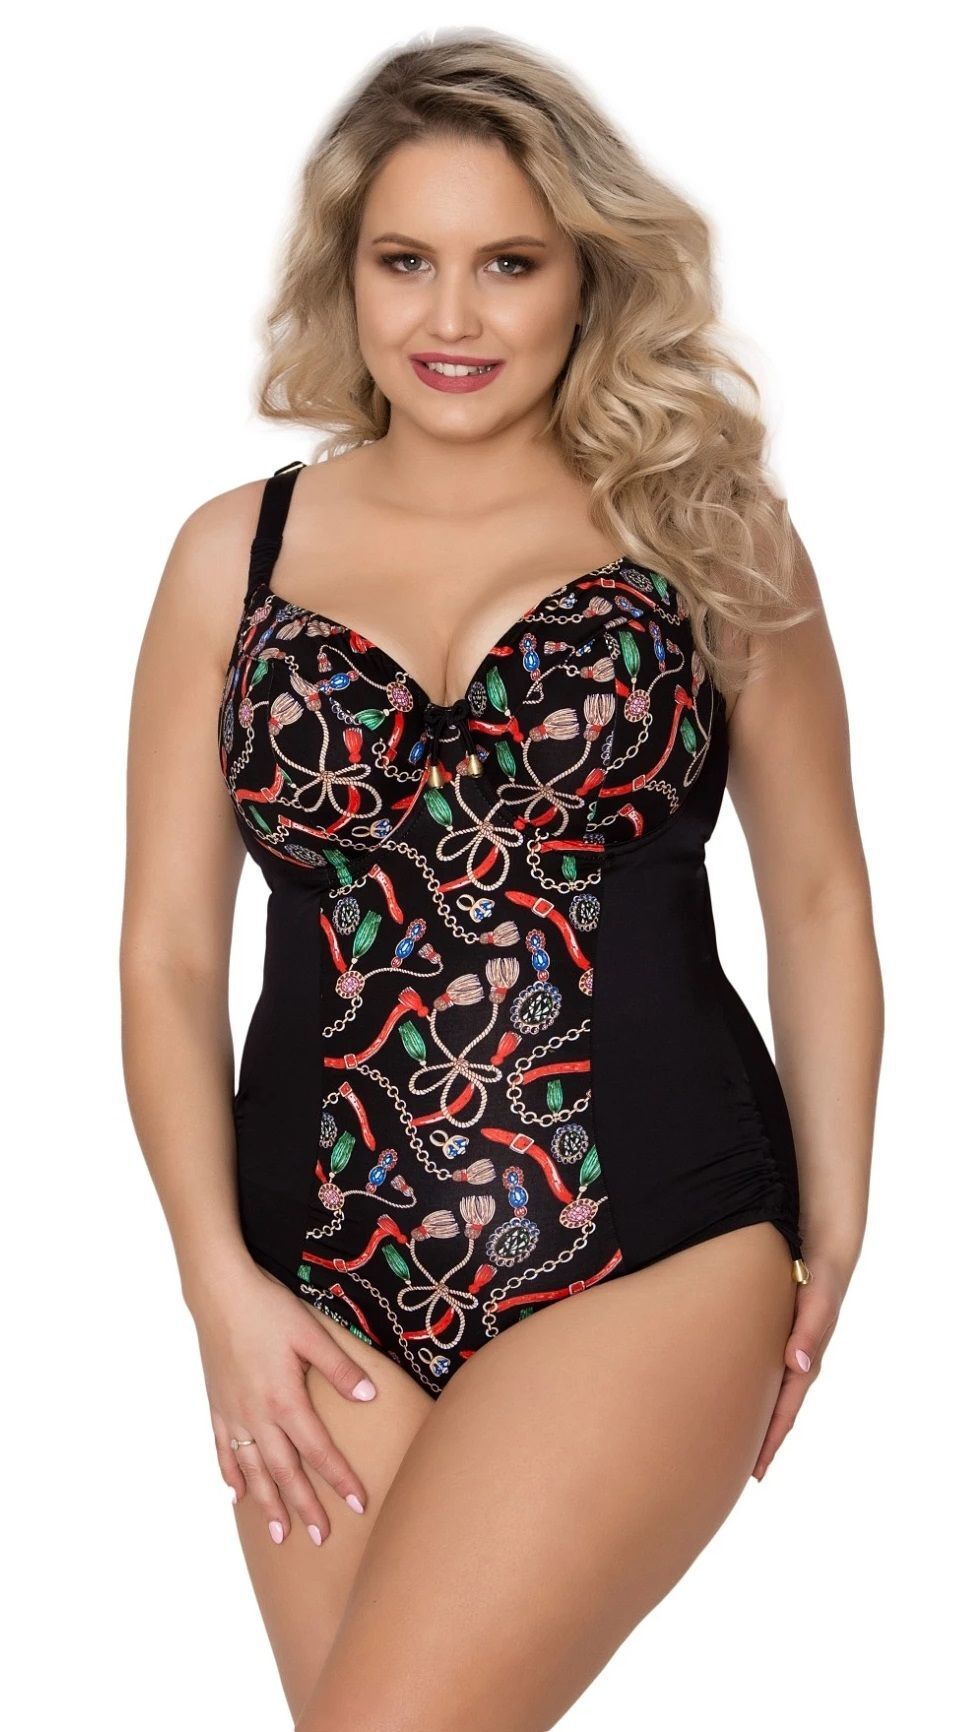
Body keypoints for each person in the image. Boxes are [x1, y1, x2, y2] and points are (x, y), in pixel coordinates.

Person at [120, 29, 882, 1732]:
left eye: (509, 263)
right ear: (347, 276)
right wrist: (213, 1285)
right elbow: (167, 953)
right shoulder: (232, 556)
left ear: (587, 275)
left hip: (651, 1245)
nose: (451, 316)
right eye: (407, 260)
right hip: (312, 1281)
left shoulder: (708, 535)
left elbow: (822, 898)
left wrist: (836, 1225)